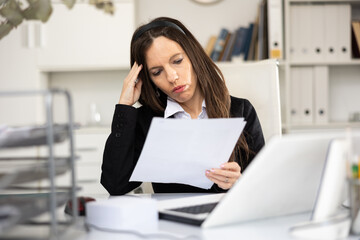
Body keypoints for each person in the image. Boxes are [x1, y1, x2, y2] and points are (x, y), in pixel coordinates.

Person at [101, 17, 265, 195]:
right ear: (149, 80)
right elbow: (115, 185)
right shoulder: (147, 121)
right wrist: (124, 107)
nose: (172, 77)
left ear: (194, 57)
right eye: (157, 72)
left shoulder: (240, 111)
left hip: (227, 217)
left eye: (177, 61)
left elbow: (263, 185)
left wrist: (238, 182)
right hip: (172, 220)